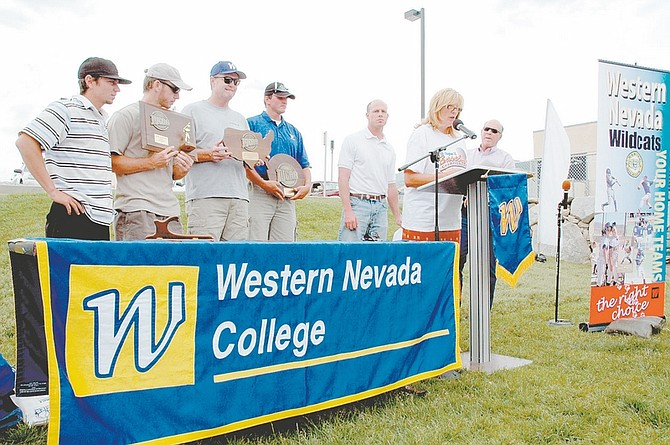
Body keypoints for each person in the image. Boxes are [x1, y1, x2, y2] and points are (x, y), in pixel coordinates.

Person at [15, 57, 131, 240]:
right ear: (90, 81)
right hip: (73, 215)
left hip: (98, 220)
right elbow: (25, 142)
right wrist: (53, 191)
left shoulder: (101, 119)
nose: (117, 89)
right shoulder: (65, 109)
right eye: (111, 82)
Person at [109, 63, 194, 240]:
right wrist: (151, 162)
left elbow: (172, 174)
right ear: (156, 85)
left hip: (170, 211)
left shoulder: (174, 123)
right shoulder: (126, 116)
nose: (177, 96)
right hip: (137, 210)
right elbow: (110, 162)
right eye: (174, 89)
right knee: (138, 268)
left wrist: (181, 169)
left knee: (174, 268)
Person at [181, 61, 250, 241]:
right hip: (206, 196)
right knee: (204, 258)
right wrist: (209, 154)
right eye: (228, 80)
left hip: (239, 198)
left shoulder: (240, 119)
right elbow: (181, 153)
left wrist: (256, 157)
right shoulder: (191, 111)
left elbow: (247, 156)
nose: (232, 85)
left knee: (235, 260)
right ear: (213, 81)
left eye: (236, 82)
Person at [459, 120, 515, 307]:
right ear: (481, 131)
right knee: (457, 260)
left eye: (494, 130)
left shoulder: (505, 159)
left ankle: (483, 308)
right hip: (465, 216)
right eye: (486, 129)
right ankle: (454, 307)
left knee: (488, 265)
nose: (489, 132)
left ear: (500, 136)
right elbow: (457, 181)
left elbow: (507, 189)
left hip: (490, 219)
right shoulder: (466, 155)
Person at [246, 82, 311, 241]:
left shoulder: (293, 131)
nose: (284, 101)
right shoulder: (251, 124)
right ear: (267, 99)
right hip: (260, 192)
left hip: (287, 195)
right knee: (256, 244)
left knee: (284, 249)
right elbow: (245, 163)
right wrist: (263, 183)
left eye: (286, 98)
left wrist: (308, 186)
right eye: (280, 97)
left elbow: (304, 164)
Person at [401, 88, 468, 242]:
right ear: (438, 107)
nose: (454, 112)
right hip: (424, 220)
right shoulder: (422, 134)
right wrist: (443, 176)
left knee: (450, 266)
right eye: (450, 107)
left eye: (457, 109)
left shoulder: (459, 138)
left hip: (451, 220)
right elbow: (410, 179)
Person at [337, 99, 402, 241]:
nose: (380, 114)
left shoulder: (389, 149)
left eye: (383, 111)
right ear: (367, 115)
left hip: (380, 206)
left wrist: (397, 216)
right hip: (358, 203)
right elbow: (343, 177)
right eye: (376, 111)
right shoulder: (353, 140)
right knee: (349, 253)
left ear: (387, 116)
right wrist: (348, 211)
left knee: (376, 258)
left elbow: (391, 185)